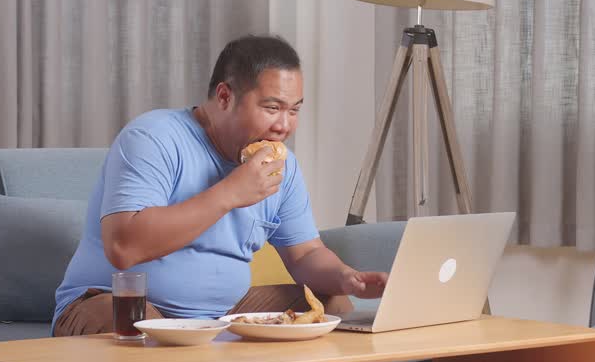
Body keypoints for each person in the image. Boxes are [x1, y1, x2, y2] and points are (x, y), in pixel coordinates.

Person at [53, 34, 388, 338]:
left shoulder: (281, 166)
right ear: (225, 96)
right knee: (137, 335)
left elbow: (306, 254)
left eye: (294, 111)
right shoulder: (153, 138)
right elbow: (124, 247)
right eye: (272, 108)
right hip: (116, 301)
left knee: (333, 304)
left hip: (222, 314)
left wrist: (346, 276)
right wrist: (229, 194)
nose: (284, 126)